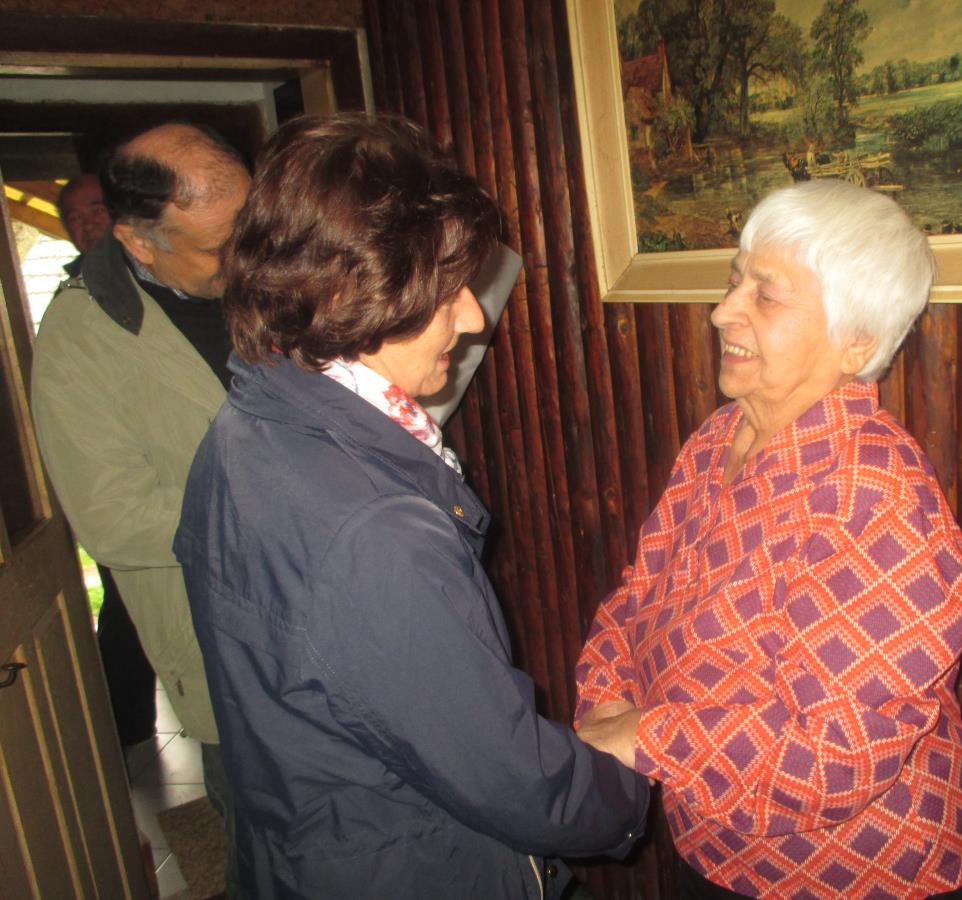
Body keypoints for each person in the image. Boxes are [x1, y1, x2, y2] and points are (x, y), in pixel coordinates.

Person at [172, 113, 650, 899]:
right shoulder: (375, 531)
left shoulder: (246, 422)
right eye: (444, 291)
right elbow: (509, 780)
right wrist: (622, 786)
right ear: (349, 292)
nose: (472, 317)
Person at [575, 180, 962, 899]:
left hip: (850, 873)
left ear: (856, 344)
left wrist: (646, 737)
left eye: (766, 295)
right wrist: (606, 698)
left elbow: (835, 758)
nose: (721, 311)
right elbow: (641, 592)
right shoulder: (718, 439)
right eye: (734, 280)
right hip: (712, 841)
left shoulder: (877, 500)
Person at [31, 122, 251, 894]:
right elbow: (112, 517)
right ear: (137, 241)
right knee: (273, 844)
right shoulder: (78, 336)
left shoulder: (262, 275)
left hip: (339, 608)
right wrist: (269, 512)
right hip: (229, 640)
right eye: (220, 246)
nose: (247, 257)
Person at [54, 171, 159, 751]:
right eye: (73, 217)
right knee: (124, 603)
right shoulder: (73, 301)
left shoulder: (161, 282)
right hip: (119, 479)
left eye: (94, 209)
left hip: (170, 471)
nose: (85, 224)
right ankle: (125, 728)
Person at [57, 173, 111, 276]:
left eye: (98, 210)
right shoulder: (76, 284)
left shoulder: (144, 270)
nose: (88, 226)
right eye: (75, 218)